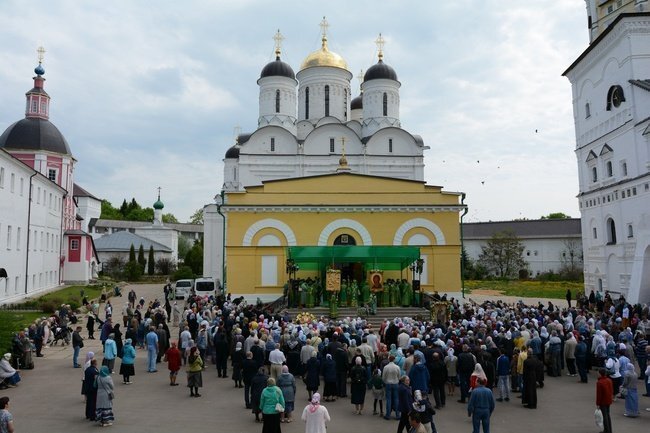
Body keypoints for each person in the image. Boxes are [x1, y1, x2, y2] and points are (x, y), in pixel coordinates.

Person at [382, 355, 401, 420]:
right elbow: (399, 376)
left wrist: (385, 382)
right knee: (396, 399)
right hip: (395, 383)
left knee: (388, 399)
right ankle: (397, 415)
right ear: (394, 360)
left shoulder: (386, 367)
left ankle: (388, 415)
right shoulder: (397, 367)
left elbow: (383, 377)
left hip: (388, 383)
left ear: (389, 359)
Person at [596, 368, 613, 433]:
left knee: (604, 416)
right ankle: (609, 430)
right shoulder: (609, 380)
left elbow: (599, 394)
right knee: (608, 415)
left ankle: (607, 430)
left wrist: (598, 403)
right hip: (608, 400)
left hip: (603, 401)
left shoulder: (599, 382)